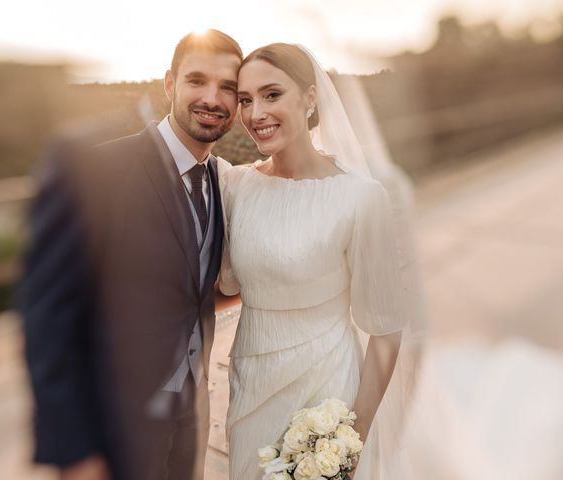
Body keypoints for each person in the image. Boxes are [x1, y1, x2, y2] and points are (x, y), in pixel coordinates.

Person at [21, 29, 242, 480]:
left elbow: (193, 289)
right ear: (169, 84)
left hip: (192, 414)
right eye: (196, 80)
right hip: (115, 424)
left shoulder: (226, 181)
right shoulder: (98, 170)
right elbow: (49, 319)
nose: (211, 98)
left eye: (228, 88)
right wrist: (73, 453)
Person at [217, 43, 420, 479]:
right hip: (250, 391)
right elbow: (224, 285)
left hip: (327, 394)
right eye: (246, 100)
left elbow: (386, 332)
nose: (255, 114)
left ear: (310, 98)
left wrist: (350, 438)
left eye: (272, 95)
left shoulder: (360, 197)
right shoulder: (235, 187)